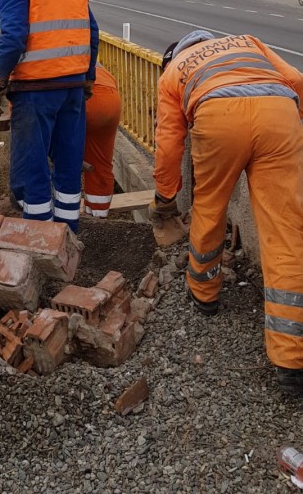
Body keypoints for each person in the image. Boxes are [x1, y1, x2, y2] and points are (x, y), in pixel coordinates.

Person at [151, 28, 303, 393]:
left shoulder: (174, 72)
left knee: (209, 207)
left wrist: (165, 197)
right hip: (279, 115)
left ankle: (204, 295)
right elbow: (296, 79)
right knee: (286, 232)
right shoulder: (249, 41)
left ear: (175, 54)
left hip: (219, 116)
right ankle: (291, 360)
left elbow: (169, 144)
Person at [0, 0, 99, 233]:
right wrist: (87, 78)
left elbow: (13, 38)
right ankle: (68, 235)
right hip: (72, 87)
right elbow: (92, 31)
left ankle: (40, 240)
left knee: (34, 169)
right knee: (68, 165)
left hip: (36, 90)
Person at [82, 64, 122, 217]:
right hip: (110, 99)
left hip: (80, 94)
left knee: (64, 161)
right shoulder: (88, 55)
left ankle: (65, 217)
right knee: (100, 163)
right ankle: (98, 218)